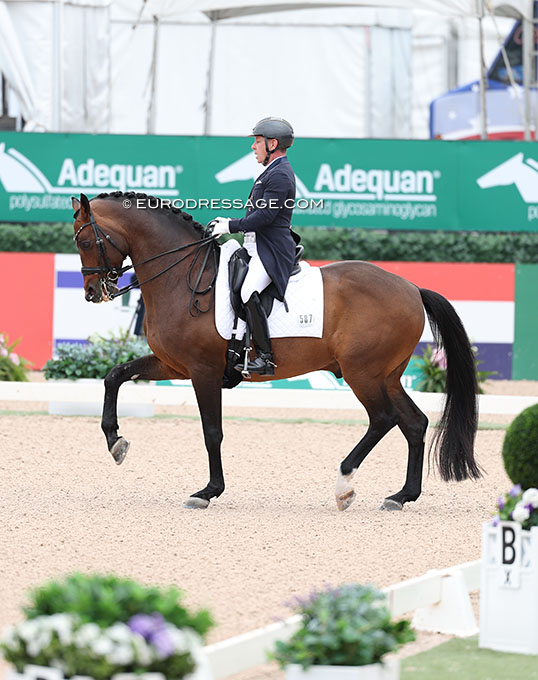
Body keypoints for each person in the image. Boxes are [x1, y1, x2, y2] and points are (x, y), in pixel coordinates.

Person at [209, 117, 298, 376]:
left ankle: (266, 358)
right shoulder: (271, 172)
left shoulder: (280, 174)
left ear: (273, 144)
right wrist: (229, 224)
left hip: (271, 250)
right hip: (255, 246)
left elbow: (265, 217)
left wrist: (230, 226)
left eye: (258, 141)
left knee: (248, 291)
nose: (253, 147)